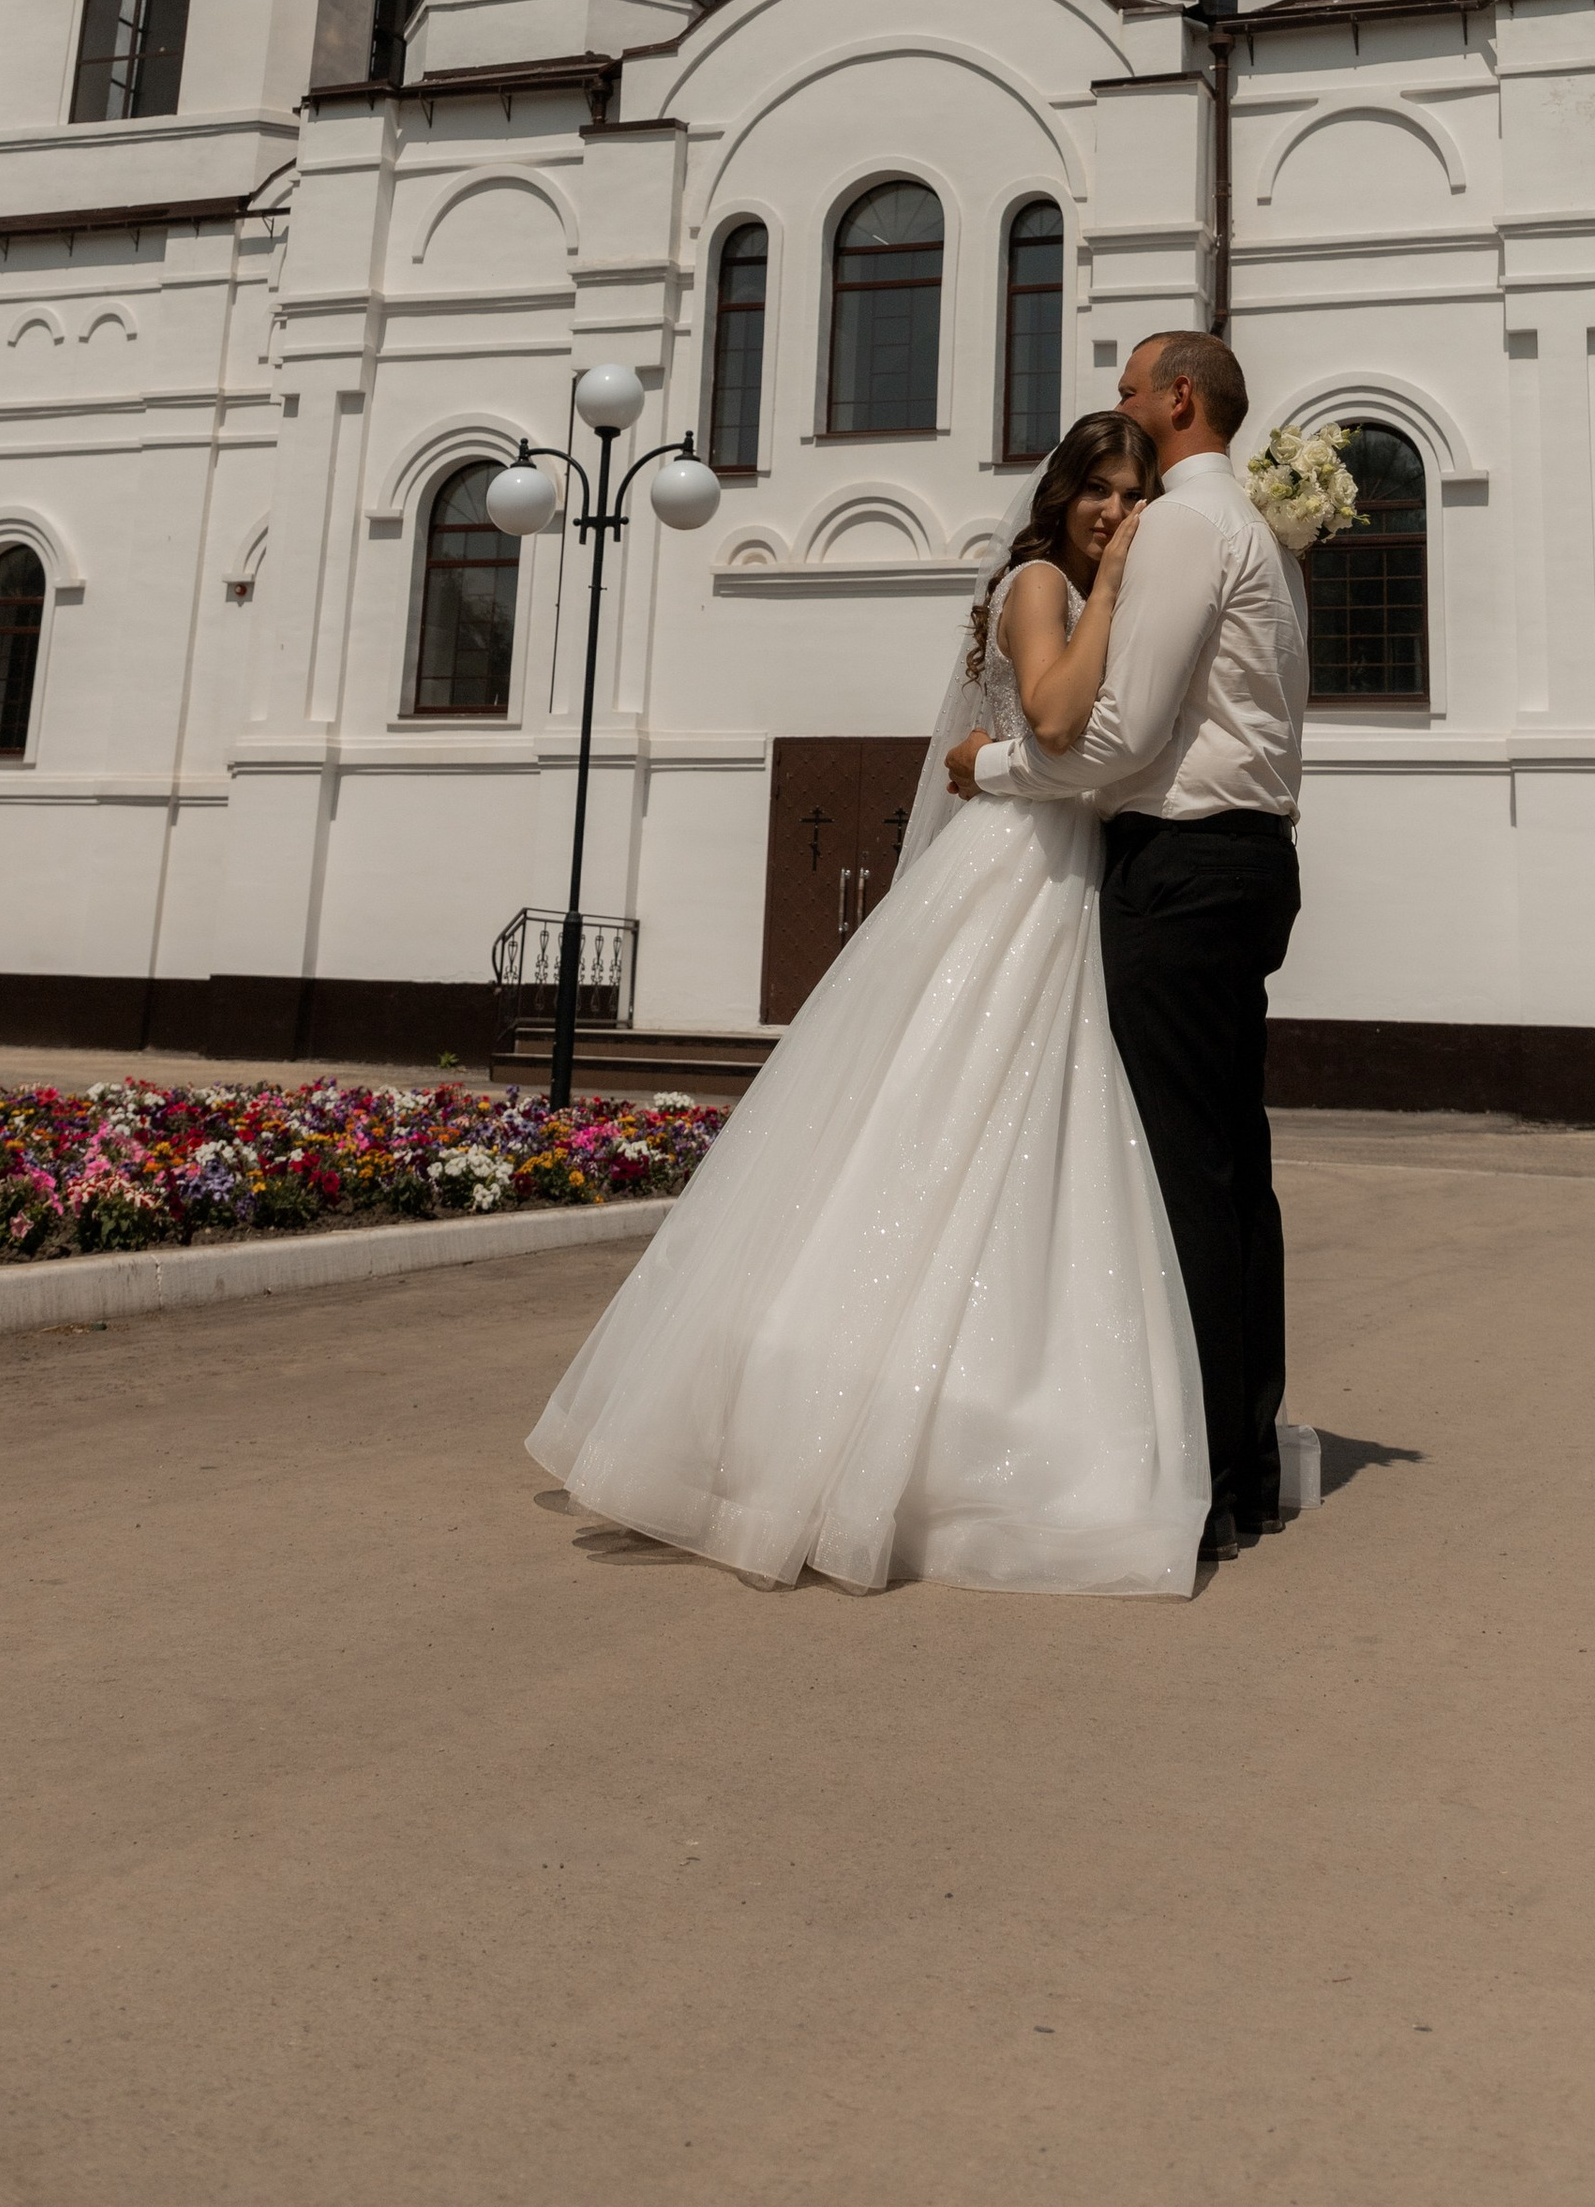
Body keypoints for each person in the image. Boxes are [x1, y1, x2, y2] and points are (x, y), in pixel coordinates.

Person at [526, 412, 1212, 1596]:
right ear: (1060, 497)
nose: (1115, 510)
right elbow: (1051, 720)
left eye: (1131, 492)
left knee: (987, 1114)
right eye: (1099, 490)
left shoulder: (1038, 579)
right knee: (954, 1107)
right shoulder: (1047, 583)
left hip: (1033, 859)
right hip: (1018, 868)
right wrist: (1109, 584)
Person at [947, 331, 1309, 1559]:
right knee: (1228, 1174)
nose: (1117, 414)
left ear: (1179, 399)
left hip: (1186, 867)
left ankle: (1204, 1477)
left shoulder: (1189, 529)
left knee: (1183, 1183)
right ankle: (1243, 1460)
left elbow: (1114, 739)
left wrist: (984, 766)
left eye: (1127, 393)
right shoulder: (1247, 527)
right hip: (1247, 861)